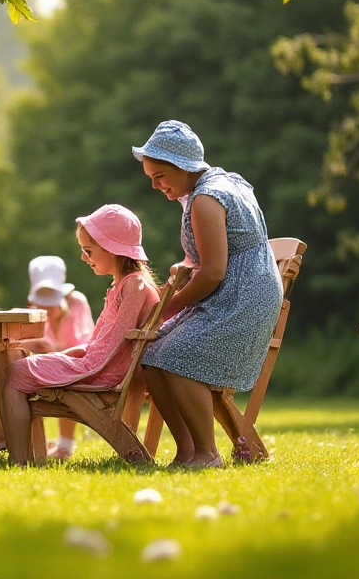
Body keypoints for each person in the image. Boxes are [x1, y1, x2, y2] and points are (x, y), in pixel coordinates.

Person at [133, 120, 283, 469]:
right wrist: (184, 267)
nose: (156, 186)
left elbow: (214, 272)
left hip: (241, 299)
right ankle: (186, 451)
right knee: (152, 357)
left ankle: (207, 453)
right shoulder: (220, 183)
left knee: (178, 359)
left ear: (182, 166)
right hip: (229, 294)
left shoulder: (206, 198)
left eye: (160, 176)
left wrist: (171, 305)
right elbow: (209, 255)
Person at [0, 205, 159, 465]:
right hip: (99, 366)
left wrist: (78, 363)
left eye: (88, 250)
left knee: (16, 372)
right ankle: (9, 446)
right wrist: (75, 353)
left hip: (101, 373)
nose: (84, 257)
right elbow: (105, 340)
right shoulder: (127, 284)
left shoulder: (133, 285)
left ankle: (17, 460)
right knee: (20, 364)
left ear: (112, 248)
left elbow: (114, 343)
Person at [0, 256, 95, 458]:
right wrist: (36, 346)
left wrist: (56, 348)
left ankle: (65, 443)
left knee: (65, 376)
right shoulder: (32, 308)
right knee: (0, 365)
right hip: (40, 366)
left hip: (71, 365)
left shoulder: (76, 304)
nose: (46, 307)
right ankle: (3, 436)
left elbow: (85, 344)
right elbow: (19, 341)